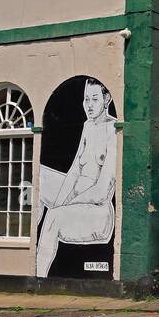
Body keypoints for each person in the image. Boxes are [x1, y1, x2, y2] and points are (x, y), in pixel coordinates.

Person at [36, 78, 119, 277]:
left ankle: (38, 278)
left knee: (53, 217)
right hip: (76, 200)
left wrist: (64, 205)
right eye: (86, 99)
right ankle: (33, 242)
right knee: (42, 177)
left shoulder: (113, 131)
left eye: (94, 99)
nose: (89, 105)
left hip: (99, 214)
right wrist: (60, 200)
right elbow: (73, 172)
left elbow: (101, 191)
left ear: (106, 99)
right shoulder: (88, 126)